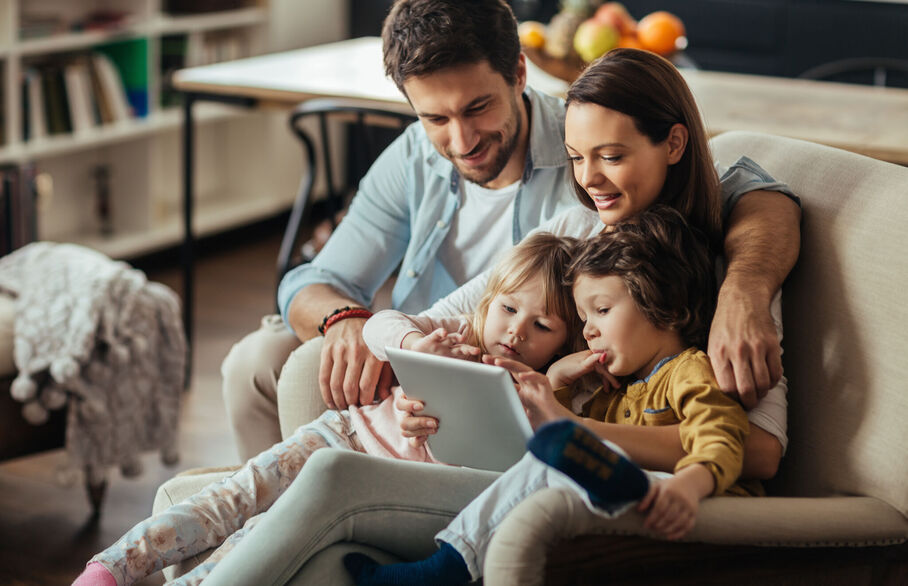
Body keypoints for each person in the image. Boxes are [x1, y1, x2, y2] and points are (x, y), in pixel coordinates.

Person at [189, 47, 799, 586]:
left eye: (610, 156)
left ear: (671, 144)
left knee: (331, 479)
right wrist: (421, 374)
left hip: (589, 480)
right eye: (577, 159)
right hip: (522, 457)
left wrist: (575, 431)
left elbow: (761, 450)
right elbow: (429, 323)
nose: (587, 181)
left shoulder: (729, 263)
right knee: (322, 548)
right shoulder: (579, 228)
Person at [220, 0, 800, 467]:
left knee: (322, 483)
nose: (462, 139)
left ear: (520, 74)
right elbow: (328, 283)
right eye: (435, 119)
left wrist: (744, 289)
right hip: (436, 364)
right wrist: (367, 330)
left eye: (477, 107)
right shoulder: (576, 220)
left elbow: (742, 183)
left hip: (527, 421)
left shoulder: (609, 193)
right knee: (263, 366)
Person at [72, 233, 583, 586]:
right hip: (341, 432)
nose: (517, 331)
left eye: (542, 327)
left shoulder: (530, 391)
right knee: (236, 495)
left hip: (375, 477)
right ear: (488, 302)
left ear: (563, 341)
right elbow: (381, 325)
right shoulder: (451, 335)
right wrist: (415, 346)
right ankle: (112, 565)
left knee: (259, 534)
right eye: (510, 309)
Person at [344, 206, 762, 586]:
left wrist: (691, 484)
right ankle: (603, 476)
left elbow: (723, 433)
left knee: (555, 455)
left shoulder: (689, 370)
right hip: (633, 501)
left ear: (663, 306)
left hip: (694, 503)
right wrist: (554, 387)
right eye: (582, 319)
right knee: (551, 452)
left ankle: (446, 567)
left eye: (601, 311)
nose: (589, 332)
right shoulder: (612, 395)